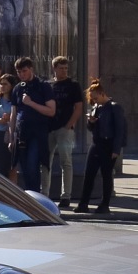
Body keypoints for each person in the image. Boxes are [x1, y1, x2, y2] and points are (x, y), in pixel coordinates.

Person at [75, 80, 124, 214]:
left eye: (95, 98)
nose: (94, 101)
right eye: (92, 99)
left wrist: (116, 149)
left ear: (102, 94)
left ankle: (104, 204)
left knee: (106, 174)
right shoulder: (96, 107)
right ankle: (83, 203)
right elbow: (92, 128)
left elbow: (120, 130)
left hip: (109, 144)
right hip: (97, 143)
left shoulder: (114, 107)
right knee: (89, 173)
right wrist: (91, 122)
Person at [10, 56, 56, 192]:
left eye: (24, 71)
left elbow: (51, 111)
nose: (21, 74)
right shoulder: (18, 88)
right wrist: (12, 135)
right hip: (21, 134)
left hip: (37, 133)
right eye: (19, 72)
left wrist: (31, 103)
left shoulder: (43, 86)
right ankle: (29, 197)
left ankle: (35, 199)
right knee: (24, 168)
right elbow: (14, 113)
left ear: (31, 69)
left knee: (32, 166)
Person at [44, 56, 83, 207]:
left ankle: (66, 195)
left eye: (66, 68)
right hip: (49, 128)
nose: (64, 71)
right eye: (61, 68)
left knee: (66, 162)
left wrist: (69, 125)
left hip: (64, 128)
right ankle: (45, 194)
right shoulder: (48, 85)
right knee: (45, 162)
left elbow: (78, 107)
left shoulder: (73, 85)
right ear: (54, 68)